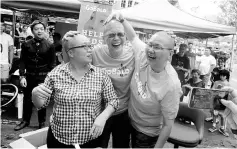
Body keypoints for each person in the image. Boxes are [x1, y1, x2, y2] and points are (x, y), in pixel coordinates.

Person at [32, 20, 135, 148]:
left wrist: (102, 118)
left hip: (92, 137)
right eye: (84, 47)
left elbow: (113, 101)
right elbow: (41, 104)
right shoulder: (56, 73)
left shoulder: (101, 74)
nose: (90, 50)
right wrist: (35, 94)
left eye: (90, 46)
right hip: (59, 138)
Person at [104, 12, 182, 148]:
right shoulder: (143, 55)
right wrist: (122, 19)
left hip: (147, 133)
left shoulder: (171, 85)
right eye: (150, 45)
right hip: (129, 119)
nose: (151, 50)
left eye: (157, 47)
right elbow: (133, 36)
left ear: (170, 54)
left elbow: (168, 125)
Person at [14, 20, 55, 131]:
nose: (39, 31)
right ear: (32, 31)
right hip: (29, 76)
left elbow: (52, 63)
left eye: (41, 29)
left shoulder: (50, 45)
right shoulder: (26, 44)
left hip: (43, 77)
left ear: (45, 30)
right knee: (27, 100)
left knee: (42, 101)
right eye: (36, 29)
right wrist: (22, 76)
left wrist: (50, 79)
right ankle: (25, 121)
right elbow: (22, 61)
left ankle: (41, 123)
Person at [208, 69, 230, 137]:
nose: (222, 77)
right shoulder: (216, 82)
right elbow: (212, 90)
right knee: (215, 113)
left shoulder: (228, 84)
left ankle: (222, 128)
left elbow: (229, 93)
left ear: (226, 76)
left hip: (224, 102)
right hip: (216, 100)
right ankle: (214, 126)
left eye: (223, 76)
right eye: (221, 75)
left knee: (223, 116)